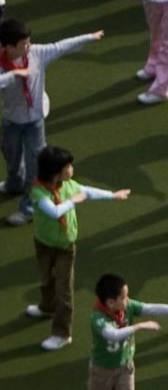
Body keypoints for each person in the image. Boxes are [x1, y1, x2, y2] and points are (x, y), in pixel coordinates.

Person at [28, 143, 131, 353]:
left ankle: (61, 334)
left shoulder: (69, 185)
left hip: (65, 247)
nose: (72, 169)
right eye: (68, 166)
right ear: (56, 172)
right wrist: (74, 201)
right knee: (46, 279)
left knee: (64, 290)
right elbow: (55, 212)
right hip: (44, 244)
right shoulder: (39, 192)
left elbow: (88, 192)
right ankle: (47, 307)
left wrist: (113, 195)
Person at [0, 20, 98, 226]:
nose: (29, 46)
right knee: (11, 154)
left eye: (29, 42)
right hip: (12, 119)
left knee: (36, 162)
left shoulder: (36, 53)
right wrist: (13, 75)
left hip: (35, 120)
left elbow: (60, 46)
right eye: (24, 44)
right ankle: (14, 182)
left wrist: (88, 37)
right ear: (9, 47)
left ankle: (28, 208)